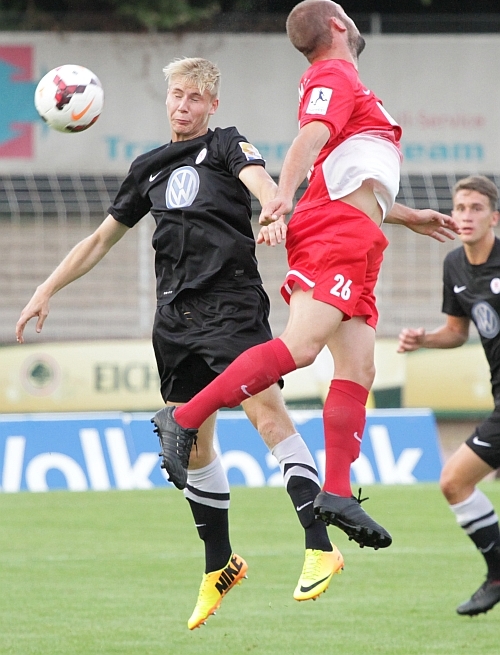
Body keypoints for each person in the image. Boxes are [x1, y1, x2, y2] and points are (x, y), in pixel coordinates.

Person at [15, 57, 344, 630]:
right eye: (176, 95)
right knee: (191, 446)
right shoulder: (148, 167)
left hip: (231, 305)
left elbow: (260, 181)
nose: (183, 106)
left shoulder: (225, 144)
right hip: (174, 318)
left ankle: (320, 545)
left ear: (212, 104)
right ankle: (221, 564)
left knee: (268, 418)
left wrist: (274, 207)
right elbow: (100, 239)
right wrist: (46, 289)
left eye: (195, 97)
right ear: (166, 99)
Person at [151, 0, 459, 552]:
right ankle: (186, 417)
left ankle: (336, 491)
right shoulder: (334, 73)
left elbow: (348, 173)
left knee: (359, 366)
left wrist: (407, 215)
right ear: (339, 25)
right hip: (335, 231)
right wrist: (282, 197)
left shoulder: (346, 84)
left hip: (359, 232)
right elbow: (309, 139)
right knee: (301, 347)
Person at [398, 175, 500, 616]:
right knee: (454, 482)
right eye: (460, 208)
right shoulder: (455, 265)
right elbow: (457, 332)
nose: (466, 216)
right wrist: (424, 340)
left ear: (494, 218)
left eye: (476, 208)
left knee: (455, 480)